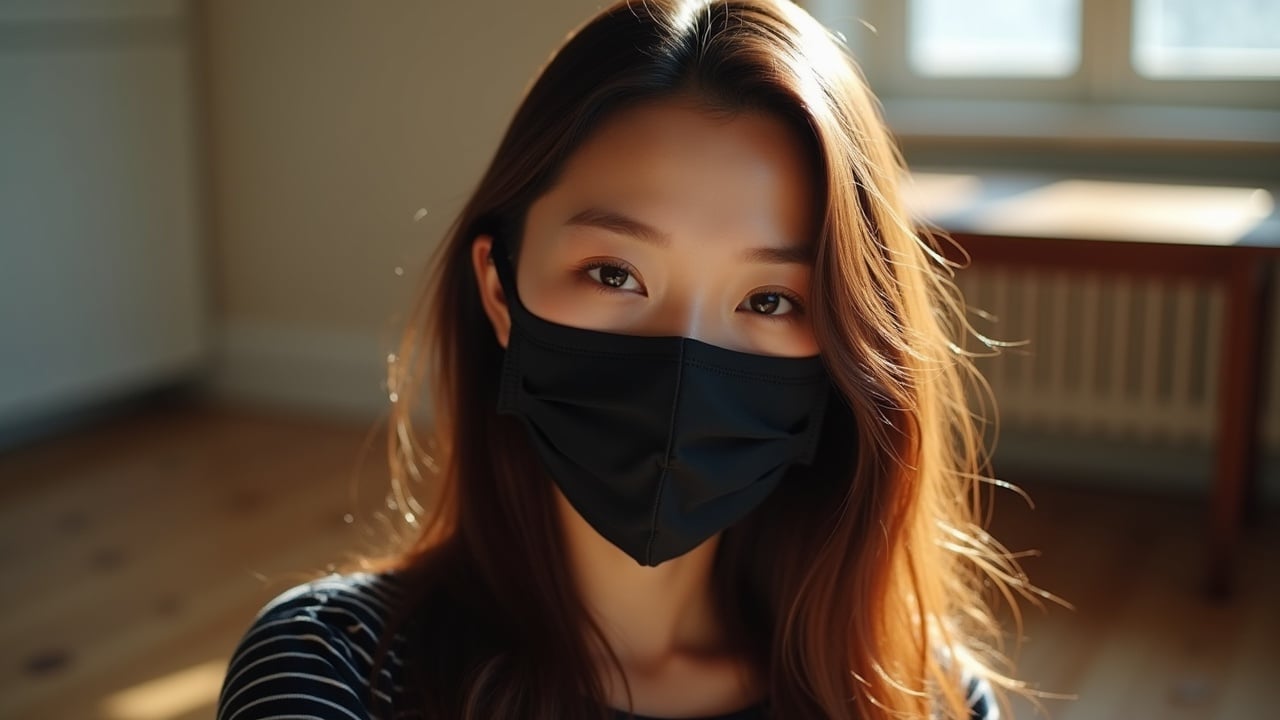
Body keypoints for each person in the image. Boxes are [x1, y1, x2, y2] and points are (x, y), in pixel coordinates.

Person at [216, 1, 1038, 718]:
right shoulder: (329, 675)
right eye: (614, 274)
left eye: (770, 299)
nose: (684, 362)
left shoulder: (925, 699)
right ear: (500, 292)